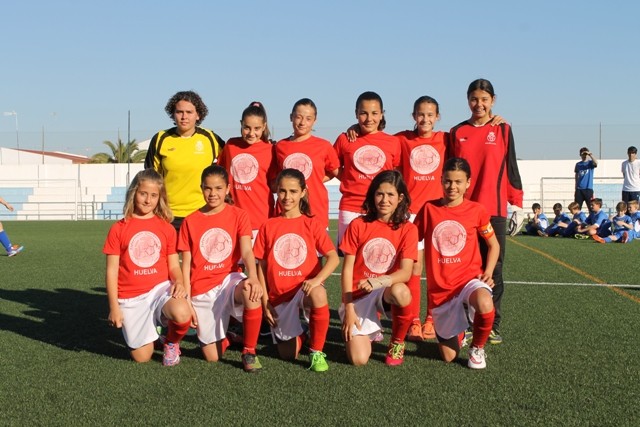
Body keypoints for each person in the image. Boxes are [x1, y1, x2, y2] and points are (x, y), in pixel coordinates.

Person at [447, 78, 523, 345]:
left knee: (496, 267)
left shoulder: (503, 129)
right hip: (464, 210)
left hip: (494, 208)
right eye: (473, 99)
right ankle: (466, 323)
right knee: (466, 267)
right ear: (467, 100)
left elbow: (511, 165)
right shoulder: (457, 131)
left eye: (484, 99)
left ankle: (492, 323)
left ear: (493, 100)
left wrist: (516, 202)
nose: (479, 104)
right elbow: (447, 171)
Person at [414, 157, 499, 369]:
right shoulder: (429, 209)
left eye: (459, 182)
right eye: (448, 181)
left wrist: (488, 272)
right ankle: (461, 326)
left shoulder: (476, 210)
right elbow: (412, 238)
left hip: (468, 281)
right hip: (441, 291)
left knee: (485, 302)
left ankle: (477, 348)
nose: (453, 186)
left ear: (468, 183)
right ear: (441, 180)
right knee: (448, 356)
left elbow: (494, 245)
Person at [178, 165, 264, 373]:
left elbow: (246, 250)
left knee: (250, 291)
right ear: (201, 188)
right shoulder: (190, 221)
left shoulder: (239, 215)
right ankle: (228, 336)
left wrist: (252, 277)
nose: (213, 193)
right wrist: (187, 300)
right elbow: (186, 264)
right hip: (202, 288)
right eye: (208, 188)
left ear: (227, 189)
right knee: (212, 357)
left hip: (228, 281)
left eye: (218, 188)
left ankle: (249, 351)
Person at [103, 169, 192, 366]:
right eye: (143, 193)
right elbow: (111, 271)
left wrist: (178, 281)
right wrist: (114, 307)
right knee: (142, 357)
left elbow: (173, 266)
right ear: (134, 193)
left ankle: (171, 342)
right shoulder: (119, 228)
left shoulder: (166, 227)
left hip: (159, 290)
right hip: (131, 297)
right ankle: (155, 330)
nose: (147, 200)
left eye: (153, 195)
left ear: (160, 198)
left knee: (182, 312)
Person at [254, 169, 339, 371]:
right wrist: (265, 301)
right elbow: (262, 266)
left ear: (303, 192)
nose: (287, 197)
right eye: (282, 191)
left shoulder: (312, 224)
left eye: (293, 191)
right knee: (287, 354)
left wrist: (317, 280)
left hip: (304, 290)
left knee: (318, 294)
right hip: (279, 297)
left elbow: (333, 258)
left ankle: (316, 351)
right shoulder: (269, 225)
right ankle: (304, 334)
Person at [339, 170, 417, 366]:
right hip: (358, 296)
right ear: (372, 195)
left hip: (384, 292)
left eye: (390, 194)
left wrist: (379, 281)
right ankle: (366, 331)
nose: (384, 200)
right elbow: (347, 269)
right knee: (359, 359)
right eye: (379, 194)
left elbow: (406, 272)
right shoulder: (358, 224)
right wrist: (348, 307)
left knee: (402, 292)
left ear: (400, 198)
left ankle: (397, 342)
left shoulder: (408, 229)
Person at [144, 90, 224, 232]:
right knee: (168, 255)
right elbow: (150, 178)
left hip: (202, 212)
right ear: (173, 114)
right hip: (168, 214)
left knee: (198, 255)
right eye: (179, 112)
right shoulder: (161, 139)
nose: (184, 117)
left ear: (198, 115)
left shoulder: (210, 138)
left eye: (189, 112)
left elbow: (234, 155)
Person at [334, 91, 401, 249]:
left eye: (374, 113)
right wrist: (350, 179)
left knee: (377, 256)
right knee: (349, 258)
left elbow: (395, 172)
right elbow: (333, 166)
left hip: (381, 208)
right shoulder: (345, 139)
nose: (369, 118)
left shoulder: (393, 142)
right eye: (363, 113)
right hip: (350, 208)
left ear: (382, 114)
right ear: (356, 114)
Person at [274, 98, 340, 230]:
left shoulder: (324, 145)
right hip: (287, 212)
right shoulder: (280, 146)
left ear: (314, 120)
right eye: (298, 117)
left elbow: (335, 172)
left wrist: (316, 179)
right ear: (291, 117)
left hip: (315, 211)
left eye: (308, 118)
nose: (303, 122)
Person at [218, 102, 277, 238]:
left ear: (264, 127)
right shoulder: (231, 145)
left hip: (260, 219)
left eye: (256, 128)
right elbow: (221, 176)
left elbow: (274, 185)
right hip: (232, 218)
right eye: (247, 128)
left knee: (258, 259)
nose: (251, 133)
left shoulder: (270, 150)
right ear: (241, 124)